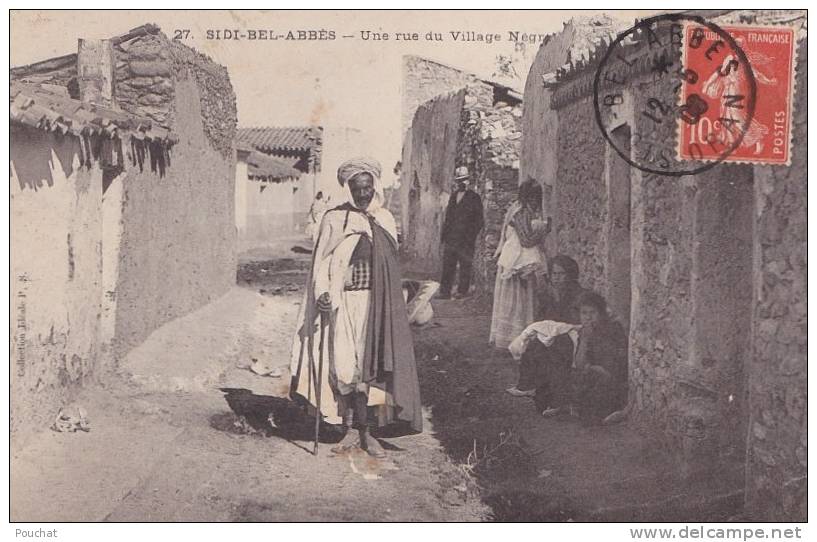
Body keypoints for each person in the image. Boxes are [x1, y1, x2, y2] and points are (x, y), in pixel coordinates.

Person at [289, 157, 423, 458]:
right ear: (348, 189)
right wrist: (323, 293)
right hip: (343, 302)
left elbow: (390, 266)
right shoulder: (334, 219)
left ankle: (366, 431)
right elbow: (322, 264)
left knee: (369, 366)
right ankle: (349, 427)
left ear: (375, 188)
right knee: (344, 364)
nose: (363, 194)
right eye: (357, 188)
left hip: (375, 304)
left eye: (367, 187)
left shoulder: (384, 219)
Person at [506, 255, 588, 402]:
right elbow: (542, 318)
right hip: (552, 332)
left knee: (557, 346)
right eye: (554, 274)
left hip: (573, 333)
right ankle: (528, 385)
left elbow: (580, 320)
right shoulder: (547, 294)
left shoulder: (580, 295)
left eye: (561, 274)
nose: (557, 278)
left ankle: (553, 391)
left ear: (570, 274)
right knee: (534, 344)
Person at [490, 179, 549, 350]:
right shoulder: (520, 212)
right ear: (526, 197)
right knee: (518, 299)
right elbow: (526, 240)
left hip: (522, 259)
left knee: (523, 299)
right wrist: (544, 231)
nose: (535, 201)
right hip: (516, 260)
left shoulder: (525, 210)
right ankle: (514, 338)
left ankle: (520, 337)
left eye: (536, 198)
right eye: (532, 197)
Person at [571, 291, 628, 424]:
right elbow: (579, 365)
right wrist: (584, 340)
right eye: (584, 313)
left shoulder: (614, 329)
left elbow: (618, 363)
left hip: (613, 379)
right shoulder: (585, 333)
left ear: (601, 314)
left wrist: (596, 369)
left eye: (593, 313)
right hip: (594, 376)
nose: (588, 317)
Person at [438, 166, 484, 299]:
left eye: (464, 180)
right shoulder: (453, 197)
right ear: (456, 182)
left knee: (465, 265)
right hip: (451, 238)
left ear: (468, 181)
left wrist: (471, 236)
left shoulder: (474, 197)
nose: (462, 183)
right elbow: (448, 218)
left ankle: (462, 291)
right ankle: (445, 292)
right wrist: (444, 236)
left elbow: (479, 220)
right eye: (459, 180)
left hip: (466, 239)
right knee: (448, 265)